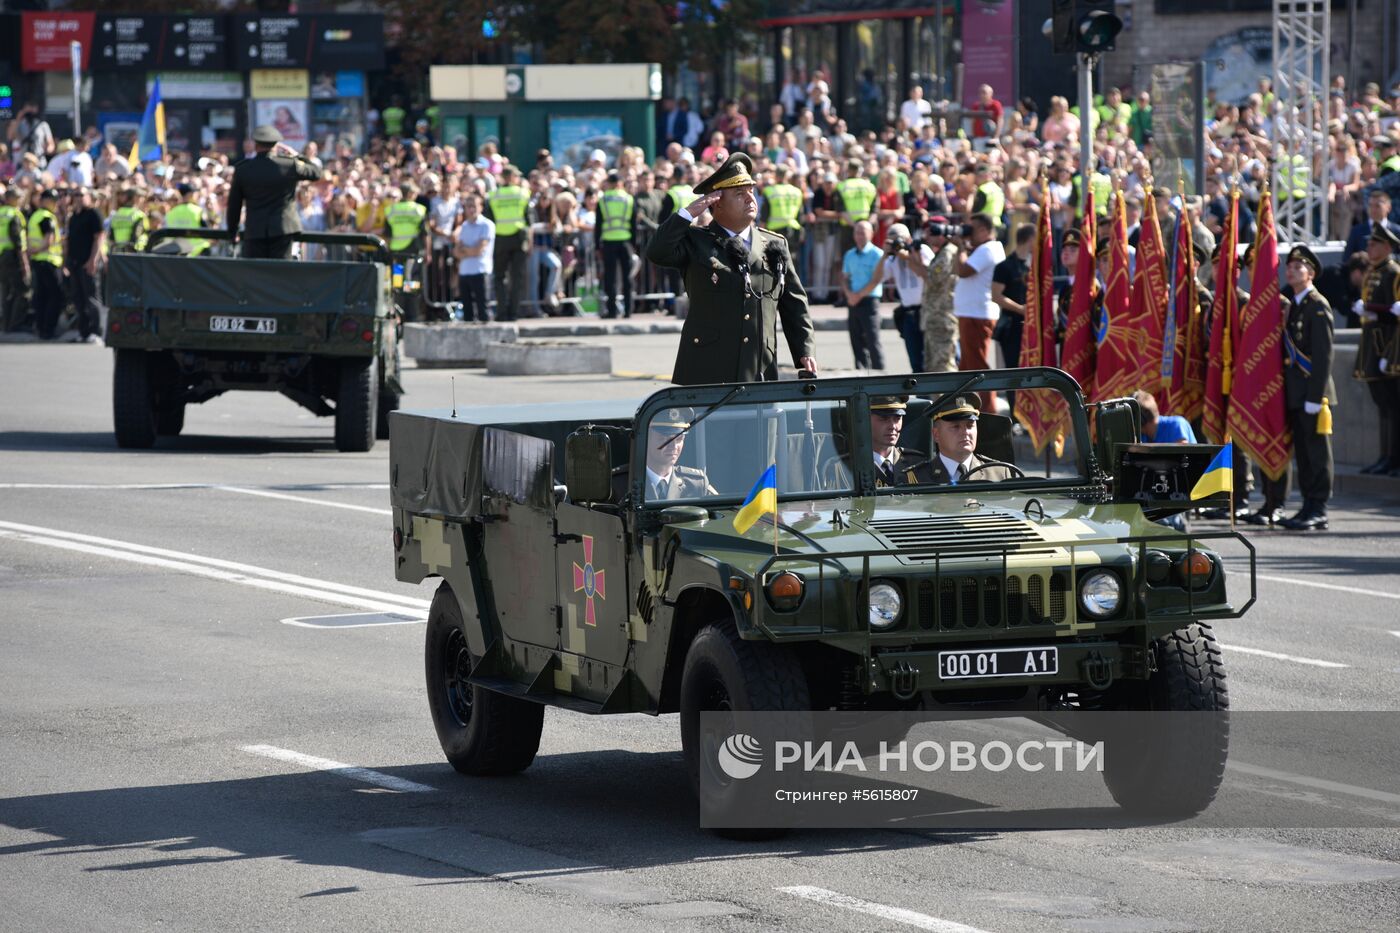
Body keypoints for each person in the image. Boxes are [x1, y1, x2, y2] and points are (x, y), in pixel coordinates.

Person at [648, 152, 817, 385]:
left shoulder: (775, 244)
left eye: (751, 191)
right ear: (716, 203)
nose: (750, 198)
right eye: (739, 193)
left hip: (760, 369)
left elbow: (794, 304)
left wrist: (804, 351)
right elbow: (657, 251)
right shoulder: (696, 241)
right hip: (708, 371)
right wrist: (689, 213)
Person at [1279, 246, 1336, 532]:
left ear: (1311, 273)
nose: (1292, 271)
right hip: (1295, 393)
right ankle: (1307, 505)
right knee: (1302, 452)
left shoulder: (1317, 305)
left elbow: (1324, 356)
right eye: (1289, 267)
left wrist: (1316, 396)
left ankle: (1319, 508)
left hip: (1313, 395)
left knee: (1317, 453)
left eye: (1298, 267)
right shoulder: (1294, 304)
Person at [225, 125, 323, 260]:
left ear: (255, 145)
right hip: (283, 230)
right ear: (276, 145)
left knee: (256, 275)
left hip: (255, 231)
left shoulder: (244, 170)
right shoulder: (289, 165)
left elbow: (234, 205)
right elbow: (316, 172)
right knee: (280, 275)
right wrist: (298, 156)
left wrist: (233, 232)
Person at [1353, 224, 1400, 476]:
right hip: (1372, 341)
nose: (1369, 248)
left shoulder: (1393, 272)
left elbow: (1395, 312)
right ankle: (1384, 456)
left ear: (1387, 247)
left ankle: (1393, 458)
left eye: (1374, 244)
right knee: (1382, 405)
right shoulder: (1374, 270)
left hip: (1385, 343)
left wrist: (1389, 352)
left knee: (1391, 406)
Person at [822, 396, 939, 488]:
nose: (893, 426)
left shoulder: (917, 463)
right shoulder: (840, 468)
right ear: (864, 420)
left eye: (897, 418)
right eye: (884, 419)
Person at [953, 214, 1005, 411]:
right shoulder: (984, 249)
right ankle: (965, 408)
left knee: (978, 367)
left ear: (984, 230)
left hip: (977, 314)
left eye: (971, 230)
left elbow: (964, 270)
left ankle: (989, 413)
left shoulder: (988, 249)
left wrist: (959, 247)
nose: (968, 233)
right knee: (966, 367)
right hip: (972, 313)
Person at [617, 408, 717, 502]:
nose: (673, 446)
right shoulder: (618, 484)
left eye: (679, 439)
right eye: (664, 438)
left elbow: (726, 515)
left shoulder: (696, 484)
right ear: (645, 439)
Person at [924, 395, 1016, 483]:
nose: (966, 432)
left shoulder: (999, 473)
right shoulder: (917, 477)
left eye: (970, 425)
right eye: (956, 426)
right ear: (936, 435)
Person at [992, 224, 1034, 409]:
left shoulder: (1033, 265)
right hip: (1012, 326)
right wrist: (1020, 309)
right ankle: (1016, 415)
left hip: (1031, 327)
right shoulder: (1005, 266)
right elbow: (996, 295)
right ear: (1030, 239)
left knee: (1031, 372)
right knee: (1014, 373)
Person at [885, 222, 934, 371]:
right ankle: (923, 395)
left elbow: (928, 273)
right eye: (894, 241)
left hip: (926, 310)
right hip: (907, 313)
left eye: (900, 240)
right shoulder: (892, 259)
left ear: (909, 238)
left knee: (933, 358)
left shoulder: (920, 249)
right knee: (915, 361)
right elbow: (877, 279)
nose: (898, 245)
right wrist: (884, 255)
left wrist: (907, 256)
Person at [841, 220, 887, 371]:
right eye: (857, 232)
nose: (859, 235)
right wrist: (849, 294)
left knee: (873, 342)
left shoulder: (877, 254)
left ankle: (882, 379)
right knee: (856, 342)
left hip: (869, 300)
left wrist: (858, 295)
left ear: (871, 234)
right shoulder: (849, 254)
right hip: (853, 301)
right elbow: (844, 277)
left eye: (863, 232)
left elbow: (876, 279)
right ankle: (861, 376)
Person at [485, 165, 529, 321]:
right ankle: (513, 313)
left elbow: (488, 220)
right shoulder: (523, 194)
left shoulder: (493, 195)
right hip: (518, 239)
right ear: (512, 177)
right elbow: (529, 220)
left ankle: (502, 312)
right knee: (516, 278)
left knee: (499, 277)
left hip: (500, 239)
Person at [63, 188, 106, 344]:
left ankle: (96, 332)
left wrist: (93, 260)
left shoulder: (94, 213)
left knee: (92, 297)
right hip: (75, 262)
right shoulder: (74, 216)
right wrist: (66, 261)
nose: (79, 198)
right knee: (78, 298)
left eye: (82, 195)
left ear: (89, 196)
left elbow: (99, 238)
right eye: (76, 195)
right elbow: (69, 240)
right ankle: (84, 331)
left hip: (88, 262)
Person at [920, 217, 960, 372]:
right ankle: (940, 397)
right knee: (933, 367)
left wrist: (913, 261)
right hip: (935, 317)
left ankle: (949, 397)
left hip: (942, 317)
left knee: (944, 366)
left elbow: (933, 279)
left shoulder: (948, 252)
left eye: (932, 233)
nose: (927, 237)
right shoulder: (942, 252)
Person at [596, 171, 636, 319]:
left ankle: (612, 311)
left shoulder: (604, 199)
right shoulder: (629, 199)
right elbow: (633, 224)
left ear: (610, 183)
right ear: (621, 183)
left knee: (610, 278)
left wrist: (596, 245)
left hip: (608, 241)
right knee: (627, 278)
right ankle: (628, 311)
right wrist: (634, 244)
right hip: (625, 241)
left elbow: (598, 224)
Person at [26, 189, 64, 341]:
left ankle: (41, 327)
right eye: (53, 200)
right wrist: (37, 250)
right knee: (55, 296)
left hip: (38, 261)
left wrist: (32, 252)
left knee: (41, 295)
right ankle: (48, 329)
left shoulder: (35, 215)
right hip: (48, 261)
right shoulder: (46, 217)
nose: (55, 204)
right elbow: (49, 240)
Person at [454, 193, 494, 323]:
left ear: (480, 207)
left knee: (483, 308)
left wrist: (465, 250)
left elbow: (478, 250)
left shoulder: (487, 225)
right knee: (467, 312)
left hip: (480, 270)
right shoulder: (464, 226)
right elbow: (456, 252)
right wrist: (467, 251)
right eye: (468, 206)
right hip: (465, 271)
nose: (471, 209)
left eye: (474, 206)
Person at [0, 187, 30, 333]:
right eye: (17, 198)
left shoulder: (1, 213)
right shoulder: (14, 214)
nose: (20, 200)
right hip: (12, 256)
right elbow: (18, 241)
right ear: (10, 199)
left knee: (5, 291)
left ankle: (6, 324)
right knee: (23, 290)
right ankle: (15, 324)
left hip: (2, 256)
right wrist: (24, 263)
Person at [165, 183, 213, 256]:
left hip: (178, 253)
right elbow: (207, 230)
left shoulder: (171, 213)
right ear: (189, 195)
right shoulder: (197, 210)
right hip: (199, 251)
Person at [107, 187, 148, 253]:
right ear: (135, 198)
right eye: (141, 197)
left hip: (117, 250)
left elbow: (111, 235)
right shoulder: (138, 215)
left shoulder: (117, 214)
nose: (142, 200)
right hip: (133, 251)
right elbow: (136, 234)